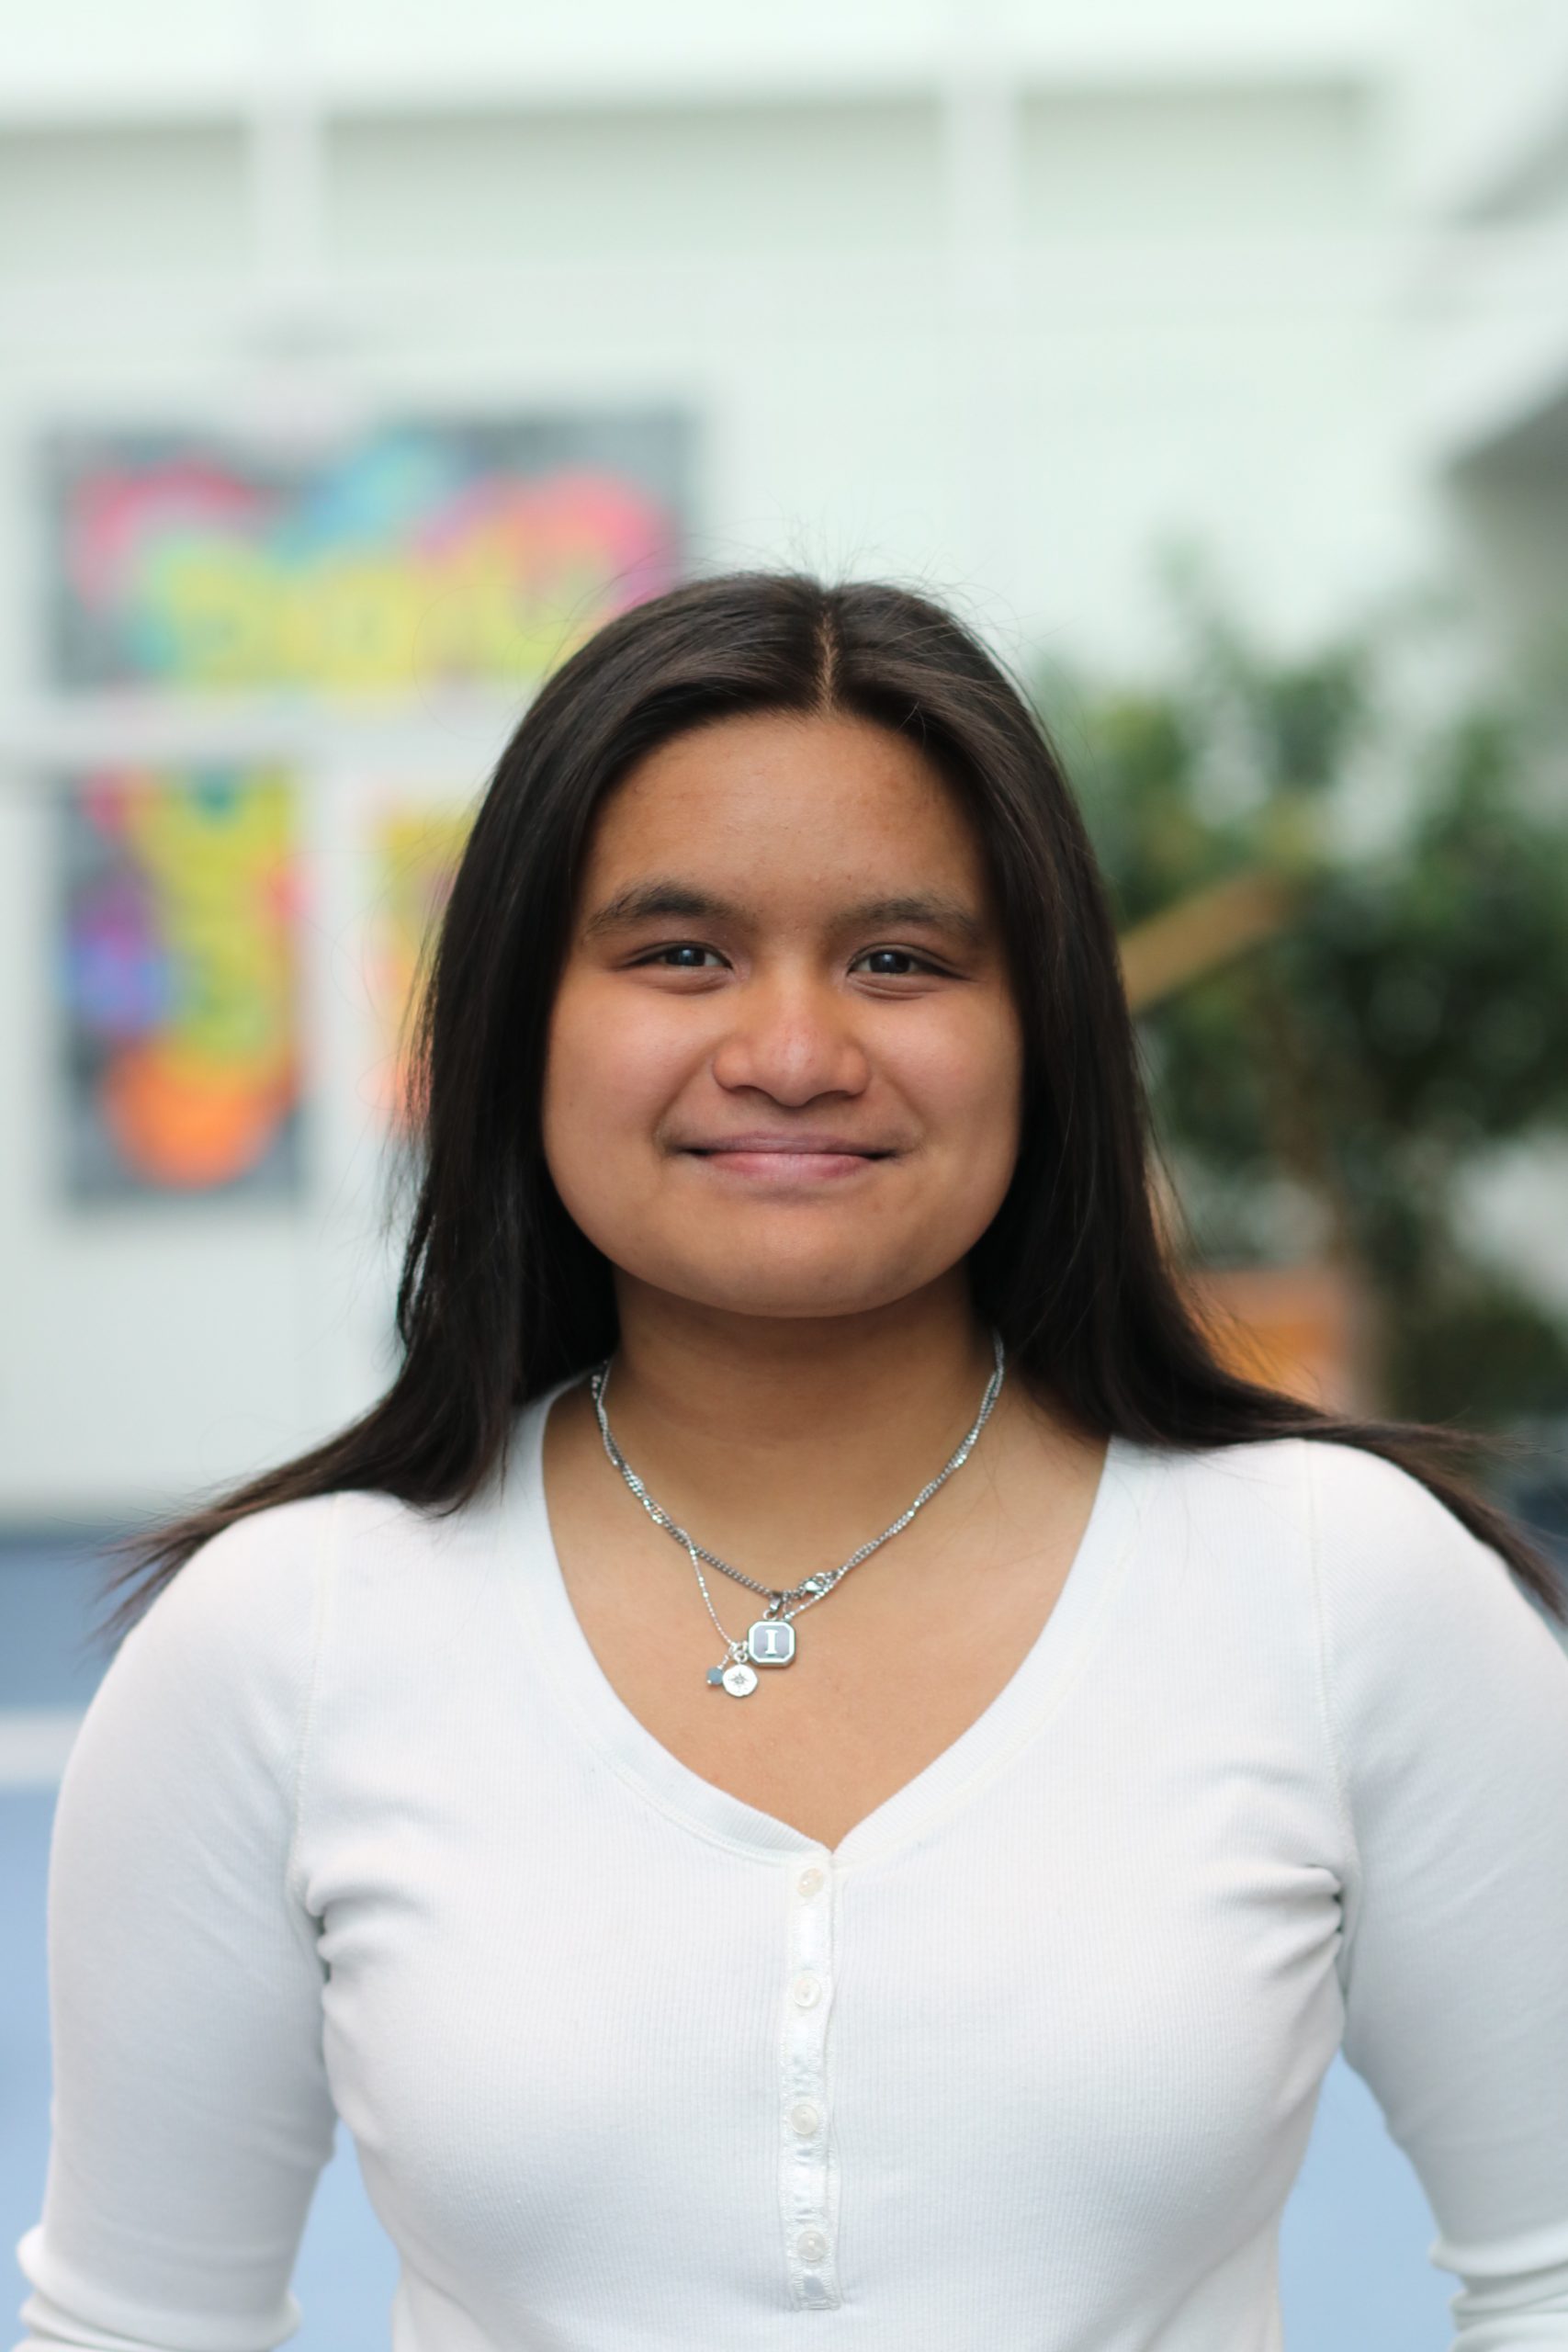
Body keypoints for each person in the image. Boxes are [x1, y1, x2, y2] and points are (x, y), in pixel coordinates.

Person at [15, 571, 1568, 2351]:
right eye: (678, 952)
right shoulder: (280, 1635)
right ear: (517, 1028)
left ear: (1039, 1035)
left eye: (899, 960)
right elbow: (137, 2329)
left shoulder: (1332, 1580)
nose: (790, 1053)